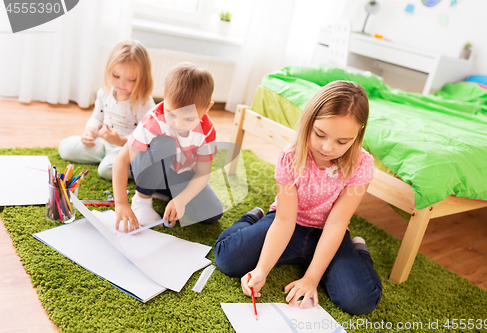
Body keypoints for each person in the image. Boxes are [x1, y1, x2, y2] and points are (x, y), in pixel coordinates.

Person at [214, 81, 382, 315]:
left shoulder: (361, 164)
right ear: (309, 122)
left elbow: (336, 224)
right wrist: (262, 269)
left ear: (358, 135)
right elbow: (284, 221)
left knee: (360, 300)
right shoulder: (290, 157)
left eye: (342, 142)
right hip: (288, 223)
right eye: (320, 134)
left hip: (329, 233)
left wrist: (312, 278)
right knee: (227, 259)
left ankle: (360, 251)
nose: (327, 147)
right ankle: (252, 218)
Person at [112, 62, 223, 232]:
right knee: (166, 143)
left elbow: (202, 173)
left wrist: (182, 199)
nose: (178, 124)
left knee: (212, 213)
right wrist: (121, 204)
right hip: (147, 164)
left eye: (189, 119)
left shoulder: (207, 131)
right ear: (164, 96)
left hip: (176, 172)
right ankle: (142, 198)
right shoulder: (154, 120)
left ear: (207, 108)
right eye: (171, 114)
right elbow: (122, 159)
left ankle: (159, 190)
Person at [58, 40, 155, 180]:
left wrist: (120, 140)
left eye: (132, 79)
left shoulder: (144, 103)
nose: (121, 83)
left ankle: (135, 166)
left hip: (125, 149)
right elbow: (96, 117)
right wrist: (89, 132)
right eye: (116, 76)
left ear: (143, 79)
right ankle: (106, 157)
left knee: (106, 170)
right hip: (103, 143)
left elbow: (143, 137)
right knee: (65, 147)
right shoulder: (105, 92)